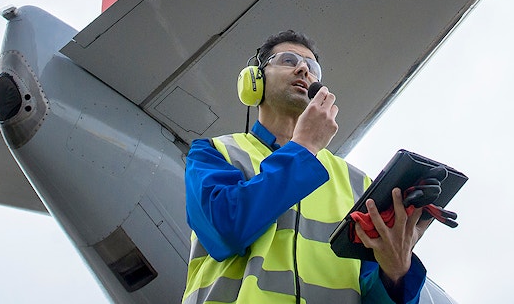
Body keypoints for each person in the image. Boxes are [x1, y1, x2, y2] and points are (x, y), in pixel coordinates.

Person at [182, 29, 434, 304]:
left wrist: (396, 273)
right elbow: (224, 230)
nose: (303, 68)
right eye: (288, 60)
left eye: (312, 67)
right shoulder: (214, 153)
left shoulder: (359, 183)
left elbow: (371, 292)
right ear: (254, 79)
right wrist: (303, 148)